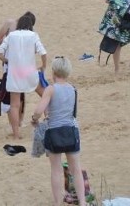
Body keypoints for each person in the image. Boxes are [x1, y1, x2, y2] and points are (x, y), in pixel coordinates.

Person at [31, 57, 87, 206]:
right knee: (76, 169)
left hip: (54, 131)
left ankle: (57, 203)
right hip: (71, 130)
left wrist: (34, 119)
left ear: (54, 71)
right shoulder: (73, 89)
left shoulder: (51, 89)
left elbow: (39, 110)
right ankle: (82, 201)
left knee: (56, 170)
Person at [0, 11, 47, 139]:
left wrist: (7, 61)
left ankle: (16, 134)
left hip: (15, 72)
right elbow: (43, 52)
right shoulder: (33, 35)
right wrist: (43, 66)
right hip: (29, 71)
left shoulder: (12, 35)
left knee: (14, 104)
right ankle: (50, 122)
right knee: (46, 95)